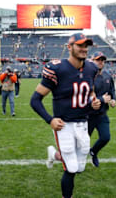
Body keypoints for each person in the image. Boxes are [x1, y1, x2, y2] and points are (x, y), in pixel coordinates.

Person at [30, 33, 101, 198]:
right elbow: (35, 100)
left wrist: (93, 101)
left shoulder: (92, 68)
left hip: (83, 123)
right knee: (71, 169)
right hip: (64, 125)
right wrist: (50, 120)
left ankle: (54, 155)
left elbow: (89, 89)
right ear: (69, 47)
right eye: (80, 45)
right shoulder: (57, 69)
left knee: (80, 167)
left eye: (86, 46)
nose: (84, 49)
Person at [88, 51, 116, 167]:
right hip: (88, 115)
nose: (101, 62)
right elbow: (84, 97)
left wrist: (113, 100)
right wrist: (101, 99)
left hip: (102, 114)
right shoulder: (87, 77)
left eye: (102, 60)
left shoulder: (107, 76)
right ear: (92, 61)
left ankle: (94, 152)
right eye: (98, 60)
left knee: (105, 137)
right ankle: (75, 163)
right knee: (82, 142)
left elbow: (112, 91)